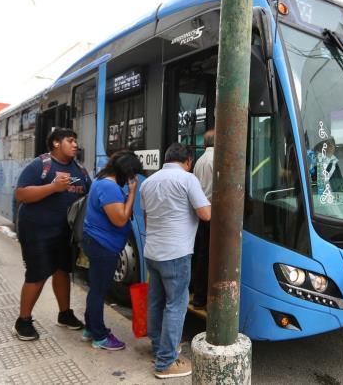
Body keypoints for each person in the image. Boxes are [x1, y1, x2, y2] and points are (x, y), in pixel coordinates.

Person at [12, 128, 91, 341]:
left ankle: (65, 314)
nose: (75, 145)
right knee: (37, 275)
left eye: (76, 141)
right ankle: (23, 321)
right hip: (37, 231)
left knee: (62, 272)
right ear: (56, 143)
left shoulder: (80, 170)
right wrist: (53, 187)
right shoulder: (41, 165)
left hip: (65, 234)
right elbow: (20, 194)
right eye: (70, 141)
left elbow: (90, 197)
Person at [141, 143, 211, 379]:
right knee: (176, 305)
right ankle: (166, 362)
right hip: (176, 253)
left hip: (152, 252)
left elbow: (148, 219)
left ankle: (158, 347)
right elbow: (206, 214)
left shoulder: (148, 182)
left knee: (156, 301)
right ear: (189, 161)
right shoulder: (187, 179)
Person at [81, 150, 142, 350]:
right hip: (103, 245)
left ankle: (90, 328)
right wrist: (132, 193)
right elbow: (121, 218)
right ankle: (99, 336)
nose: (132, 179)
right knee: (99, 291)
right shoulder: (109, 188)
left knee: (96, 288)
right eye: (132, 175)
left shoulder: (102, 181)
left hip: (98, 242)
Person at [191, 129, 214, 309]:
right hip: (213, 213)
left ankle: (198, 296)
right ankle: (204, 297)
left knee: (202, 255)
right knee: (210, 257)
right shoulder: (217, 159)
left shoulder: (199, 160)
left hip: (201, 211)